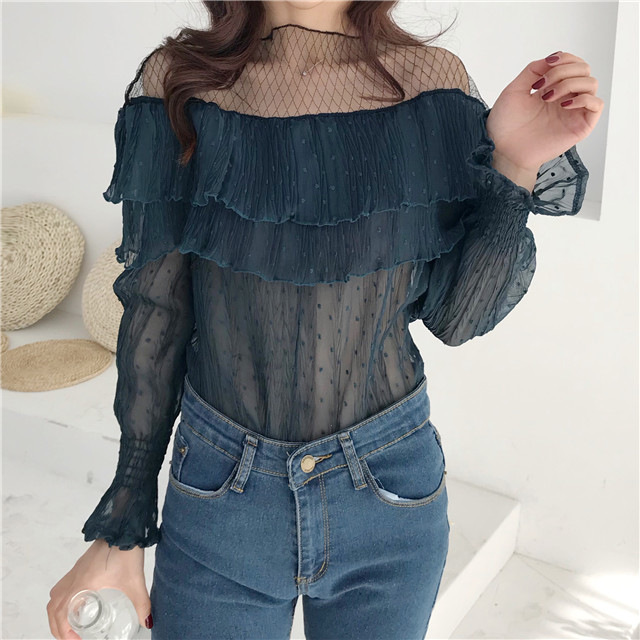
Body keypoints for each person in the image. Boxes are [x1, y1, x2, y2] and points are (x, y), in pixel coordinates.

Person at [47, 1, 600, 638]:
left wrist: (517, 164)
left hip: (388, 493)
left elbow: (457, 317)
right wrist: (122, 527)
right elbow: (159, 314)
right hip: (219, 497)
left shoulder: (429, 82)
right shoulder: (180, 82)